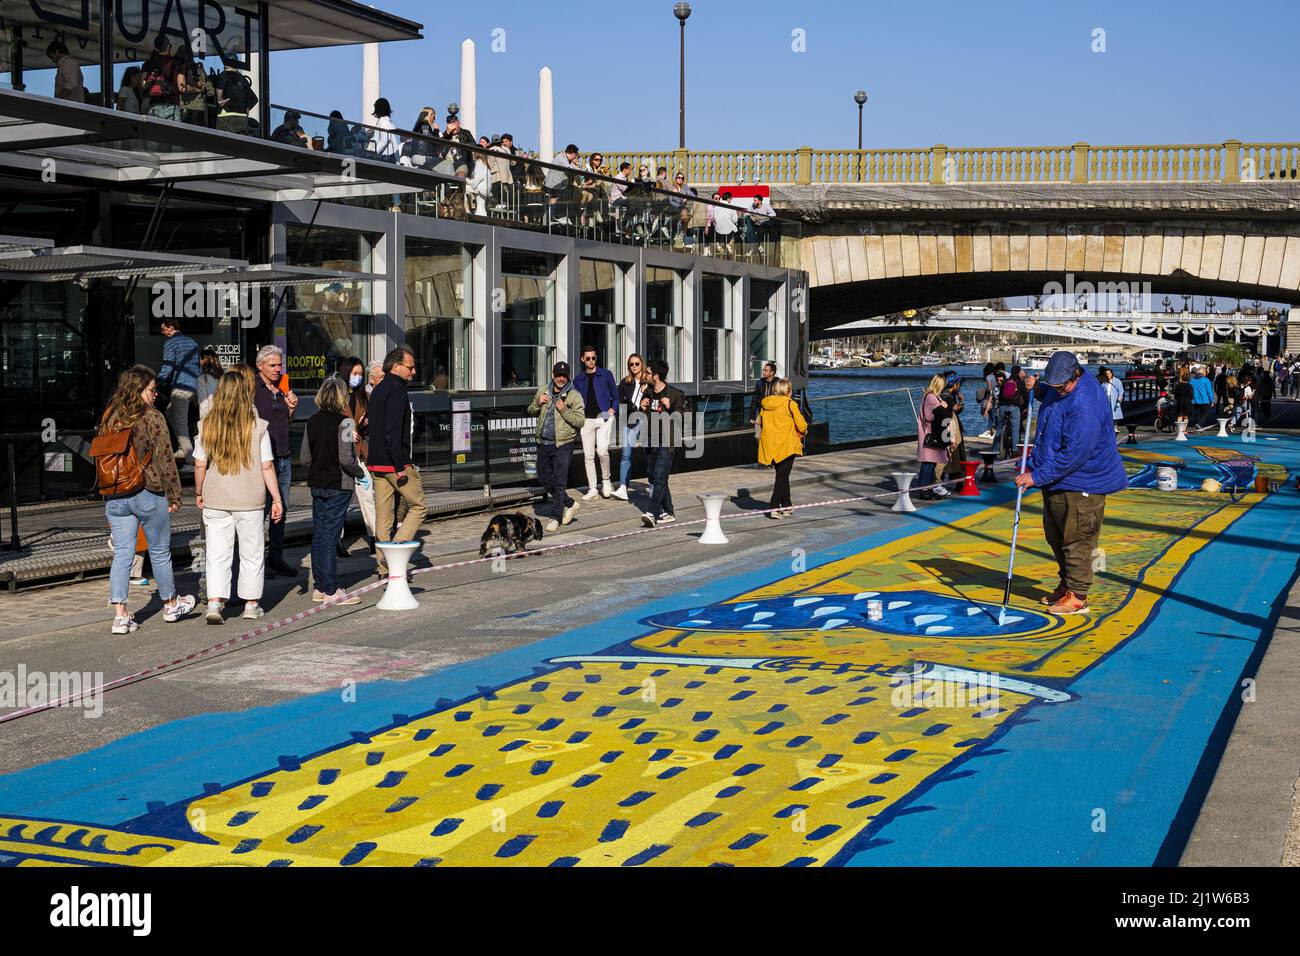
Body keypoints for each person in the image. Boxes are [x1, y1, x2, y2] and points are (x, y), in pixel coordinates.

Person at [1015, 351, 1129, 616]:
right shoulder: (1063, 387)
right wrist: (1040, 389)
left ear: (1076, 374)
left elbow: (1074, 454)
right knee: (1056, 535)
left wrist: (1036, 476)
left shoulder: (1084, 404)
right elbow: (1054, 394)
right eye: (1054, 386)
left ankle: (1078, 595)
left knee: (1077, 538)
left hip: (1082, 481)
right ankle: (1067, 585)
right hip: (1057, 479)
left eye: (1061, 386)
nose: (1059, 391)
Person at [98, 365, 195, 634]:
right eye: (152, 390)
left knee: (123, 554)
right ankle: (171, 604)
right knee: (160, 551)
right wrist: (175, 494)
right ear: (139, 391)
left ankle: (120, 615)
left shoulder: (110, 416)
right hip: (147, 492)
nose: (156, 395)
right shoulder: (152, 418)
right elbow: (165, 459)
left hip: (115, 495)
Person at [194, 371, 281, 624]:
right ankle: (251, 604)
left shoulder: (206, 425)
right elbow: (267, 466)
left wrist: (199, 492)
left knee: (217, 553)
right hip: (250, 499)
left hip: (216, 497)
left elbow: (200, 464)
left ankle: (214, 603)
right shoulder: (258, 426)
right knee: (251, 552)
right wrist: (276, 498)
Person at [303, 378, 365, 606]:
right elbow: (347, 459)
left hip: (317, 483)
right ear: (341, 397)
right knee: (330, 536)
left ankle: (319, 586)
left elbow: (304, 458)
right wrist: (360, 474)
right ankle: (331, 590)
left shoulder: (311, 421)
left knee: (319, 535)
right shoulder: (346, 423)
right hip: (338, 485)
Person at [368, 346, 428, 575]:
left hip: (376, 462)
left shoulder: (378, 390)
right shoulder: (397, 391)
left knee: (383, 517)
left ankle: (383, 566)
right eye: (410, 367)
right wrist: (400, 465)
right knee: (419, 506)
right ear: (396, 367)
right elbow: (393, 432)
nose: (413, 372)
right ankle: (395, 553)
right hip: (395, 463)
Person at [252, 345, 299, 578]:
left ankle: (276, 557)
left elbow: (284, 421)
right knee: (260, 510)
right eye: (273, 365)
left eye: (280, 365)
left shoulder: (281, 388)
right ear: (260, 365)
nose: (278, 369)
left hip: (283, 455)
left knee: (281, 510)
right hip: (261, 459)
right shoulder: (252, 388)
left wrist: (291, 409)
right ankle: (258, 561)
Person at [529, 361, 587, 533]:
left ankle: (555, 517)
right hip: (543, 442)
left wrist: (564, 410)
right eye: (558, 375)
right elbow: (530, 410)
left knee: (560, 480)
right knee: (543, 477)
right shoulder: (543, 390)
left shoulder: (574, 395)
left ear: (568, 376)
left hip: (563, 444)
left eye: (564, 375)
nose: (561, 378)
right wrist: (538, 403)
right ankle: (569, 503)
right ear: (553, 374)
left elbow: (580, 421)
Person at [333, 356, 374, 555]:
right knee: (342, 498)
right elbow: (329, 420)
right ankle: (337, 540)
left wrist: (363, 425)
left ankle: (375, 536)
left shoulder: (363, 395)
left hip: (359, 452)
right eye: (354, 373)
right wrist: (347, 431)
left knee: (368, 495)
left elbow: (370, 419)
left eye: (360, 374)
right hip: (341, 453)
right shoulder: (336, 392)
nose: (357, 377)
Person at [639, 359, 687, 527]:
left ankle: (652, 513)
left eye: (648, 373)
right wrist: (641, 407)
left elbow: (682, 418)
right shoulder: (649, 393)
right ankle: (669, 511)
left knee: (659, 477)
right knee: (655, 477)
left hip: (667, 441)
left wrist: (670, 408)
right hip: (650, 440)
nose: (645, 375)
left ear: (656, 376)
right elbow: (642, 414)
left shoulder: (675, 394)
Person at [573, 345, 618, 500]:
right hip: (586, 420)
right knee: (588, 456)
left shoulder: (606, 374)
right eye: (588, 358)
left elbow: (615, 395)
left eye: (593, 358)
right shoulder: (578, 379)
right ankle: (592, 488)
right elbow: (575, 400)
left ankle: (606, 481)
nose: (591, 361)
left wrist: (613, 409)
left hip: (604, 417)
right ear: (582, 359)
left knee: (602, 451)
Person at [757, 379, 807, 519]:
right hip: (787, 445)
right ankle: (774, 507)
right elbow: (802, 425)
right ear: (787, 391)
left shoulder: (766, 404)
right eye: (790, 390)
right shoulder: (790, 404)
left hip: (771, 445)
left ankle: (787, 505)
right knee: (782, 477)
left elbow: (759, 422)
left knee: (782, 476)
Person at [156, 318, 201, 464]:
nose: (162, 332)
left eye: (163, 329)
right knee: (170, 412)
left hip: (181, 387)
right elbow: (197, 367)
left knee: (181, 425)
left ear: (171, 328)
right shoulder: (192, 342)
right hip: (194, 387)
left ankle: (190, 460)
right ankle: (183, 449)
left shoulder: (170, 343)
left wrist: (155, 382)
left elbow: (167, 368)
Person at [613, 353, 648, 500]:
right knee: (626, 454)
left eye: (636, 364)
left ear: (642, 365)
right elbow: (620, 402)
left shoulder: (649, 382)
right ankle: (623, 487)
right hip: (628, 420)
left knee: (650, 454)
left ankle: (654, 485)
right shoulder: (625, 382)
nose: (634, 367)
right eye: (631, 364)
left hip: (645, 420)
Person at [915, 373, 952, 501]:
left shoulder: (929, 396)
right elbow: (930, 416)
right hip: (930, 434)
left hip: (930, 433)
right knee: (928, 463)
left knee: (930, 462)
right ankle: (924, 489)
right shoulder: (931, 398)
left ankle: (927, 488)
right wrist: (942, 407)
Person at [141, 34, 185, 122]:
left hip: (154, 105)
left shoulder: (149, 63)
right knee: (173, 134)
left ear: (156, 48)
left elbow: (142, 83)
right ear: (168, 46)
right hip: (172, 105)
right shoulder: (176, 63)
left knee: (155, 134)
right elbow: (181, 88)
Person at [213, 64, 257, 135]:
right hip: (242, 117)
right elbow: (254, 99)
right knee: (239, 143)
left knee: (223, 142)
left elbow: (220, 87)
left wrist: (219, 99)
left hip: (226, 115)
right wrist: (246, 109)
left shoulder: (224, 75)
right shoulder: (243, 79)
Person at [750, 361, 778, 446]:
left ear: (772, 372)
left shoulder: (778, 383)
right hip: (761, 413)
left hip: (773, 415)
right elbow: (754, 399)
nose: (763, 372)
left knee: (771, 436)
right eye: (763, 370)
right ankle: (762, 452)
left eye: (766, 370)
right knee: (758, 436)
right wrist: (752, 415)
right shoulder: (760, 383)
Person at [196, 346, 223, 421]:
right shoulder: (223, 376)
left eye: (200, 359)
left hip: (209, 420)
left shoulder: (202, 379)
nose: (198, 361)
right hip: (223, 417)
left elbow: (203, 404)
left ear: (205, 360)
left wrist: (202, 423)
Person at [1098, 366, 1125, 435]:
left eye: (1109, 373)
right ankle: (1108, 427)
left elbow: (1121, 391)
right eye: (1106, 373)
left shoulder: (1117, 381)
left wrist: (1119, 399)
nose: (1108, 375)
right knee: (1107, 413)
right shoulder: (1104, 382)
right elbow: (1102, 391)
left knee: (1115, 414)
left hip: (1114, 399)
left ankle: (1115, 427)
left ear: (1112, 373)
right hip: (1106, 399)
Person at [1189, 365, 1215, 432]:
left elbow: (1190, 390)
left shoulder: (1192, 380)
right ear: (1203, 373)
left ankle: (1198, 426)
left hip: (1195, 401)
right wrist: (1212, 400)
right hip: (1204, 400)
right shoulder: (1206, 380)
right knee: (1206, 413)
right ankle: (1199, 424)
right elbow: (1209, 391)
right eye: (1206, 372)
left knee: (1198, 414)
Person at [1172, 366, 1193, 432]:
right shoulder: (1189, 386)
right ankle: (1184, 430)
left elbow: (1175, 395)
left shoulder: (1178, 385)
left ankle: (1179, 429)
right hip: (1187, 401)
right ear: (1188, 379)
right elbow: (1191, 395)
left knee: (1180, 415)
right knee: (1186, 416)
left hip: (1180, 400)